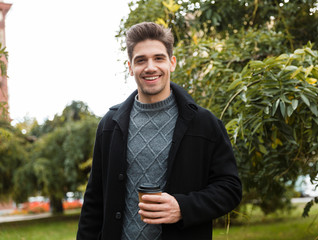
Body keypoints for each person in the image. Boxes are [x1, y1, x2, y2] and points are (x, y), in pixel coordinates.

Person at [77, 22, 242, 240]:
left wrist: (182, 207)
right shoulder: (109, 125)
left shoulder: (204, 123)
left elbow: (230, 189)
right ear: (130, 67)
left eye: (158, 58)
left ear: (172, 63)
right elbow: (94, 202)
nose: (150, 67)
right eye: (141, 60)